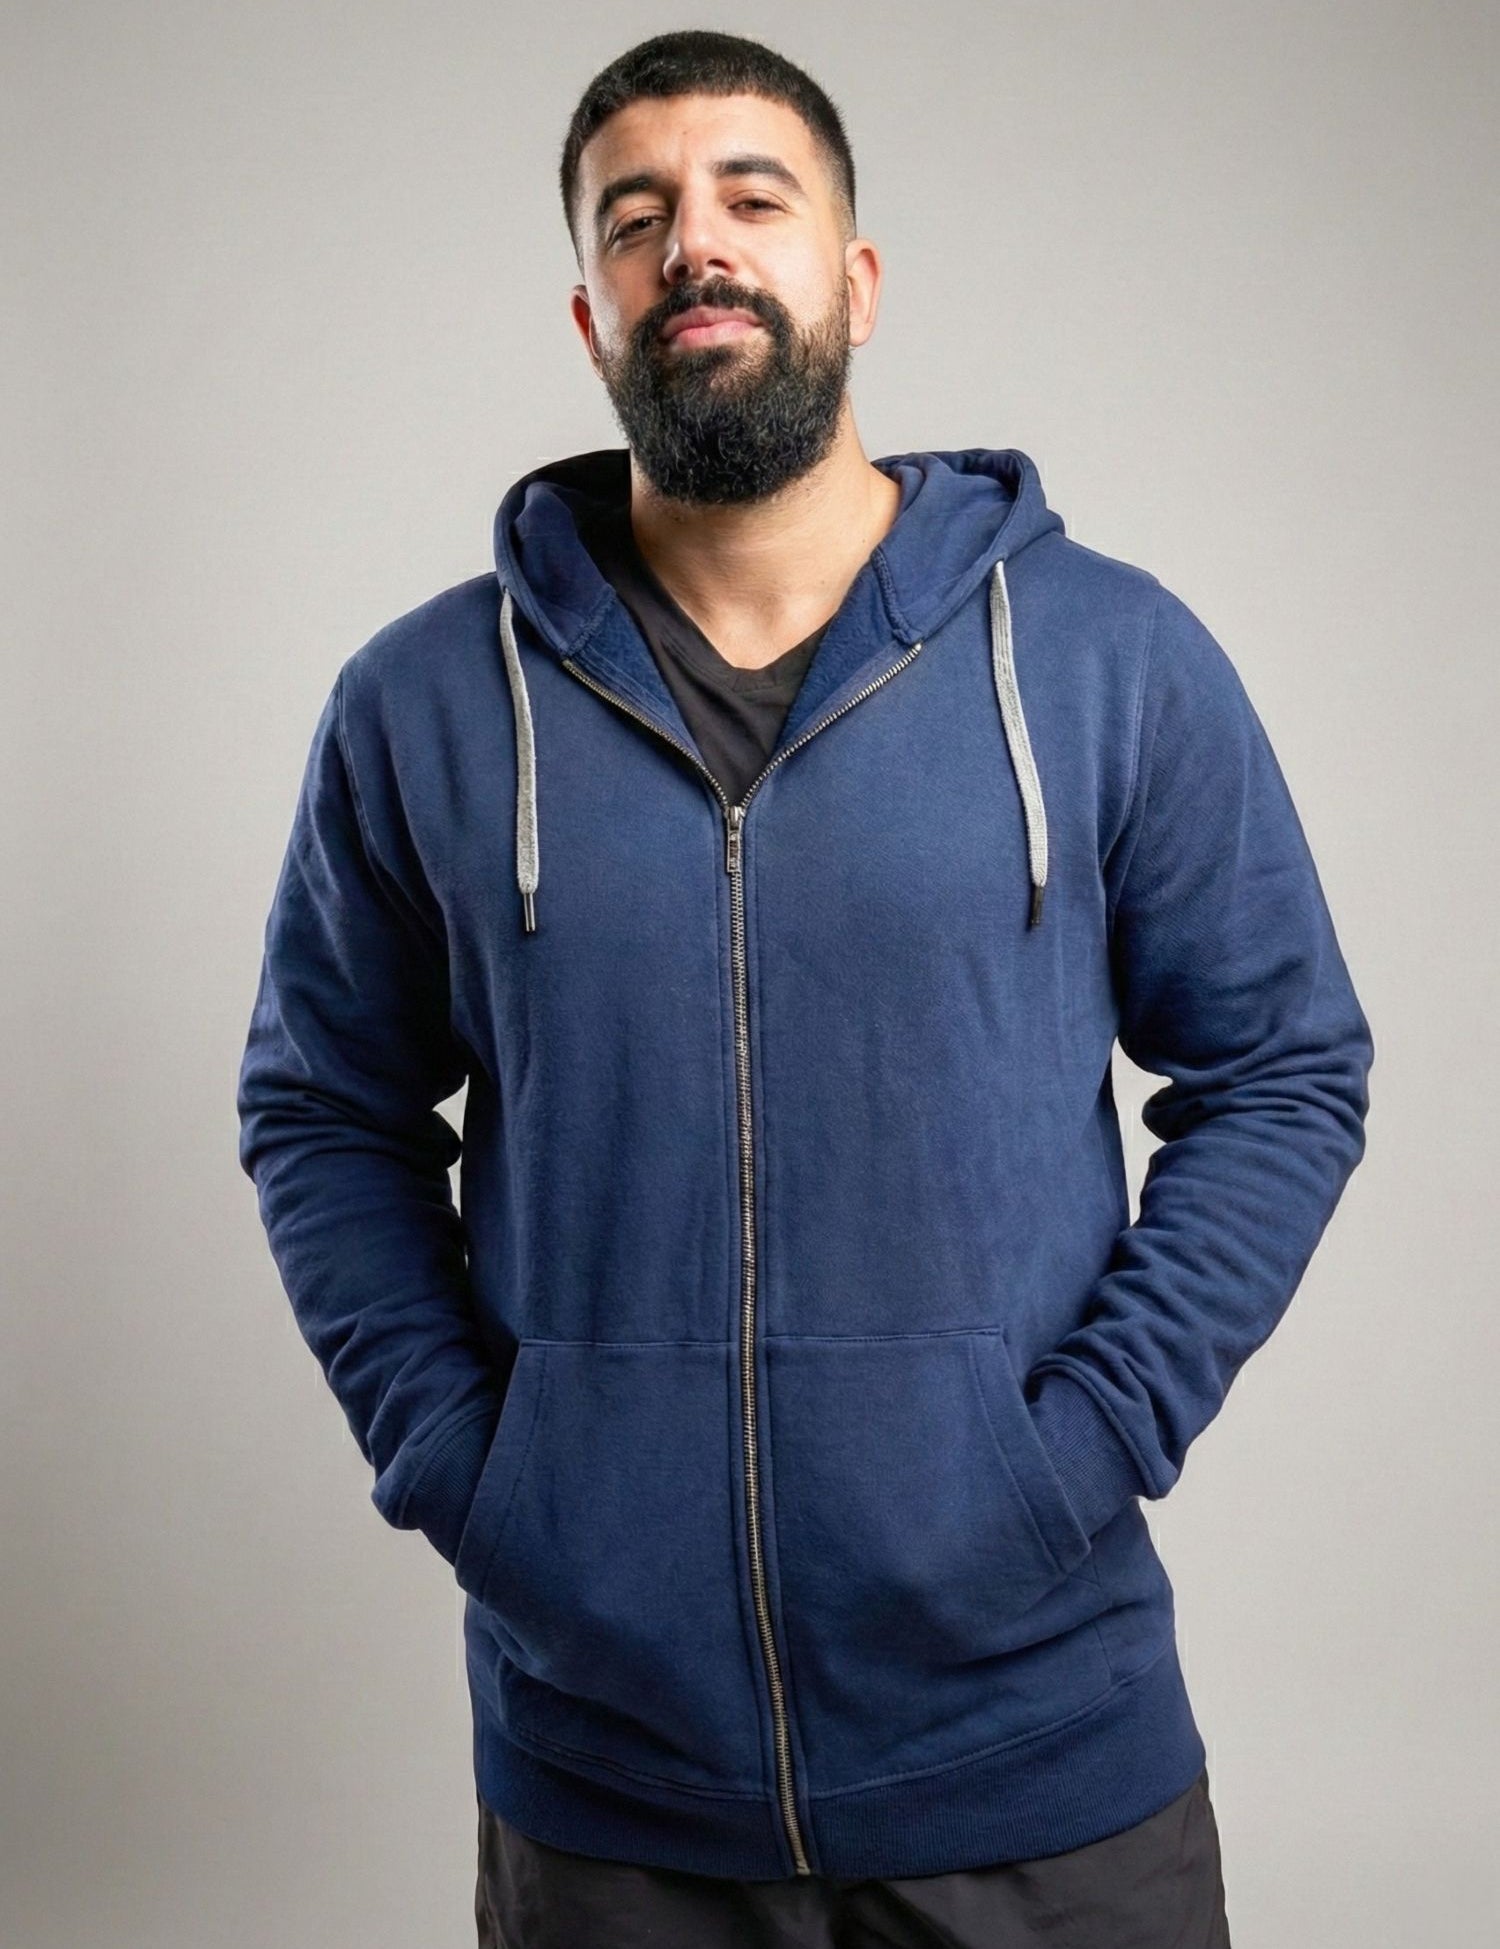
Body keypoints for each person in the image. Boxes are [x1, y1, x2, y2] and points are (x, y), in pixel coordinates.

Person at [236, 28, 1374, 1948]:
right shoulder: (424, 706)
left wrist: (1075, 1452)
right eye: (639, 217)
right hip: (613, 1785)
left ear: (855, 279)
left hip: (1043, 1749)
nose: (698, 244)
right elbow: (319, 1111)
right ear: (588, 312)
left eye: (754, 199)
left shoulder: (1106, 660)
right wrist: (477, 1470)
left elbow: (1285, 1068)